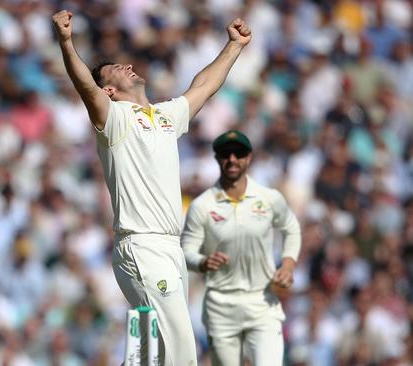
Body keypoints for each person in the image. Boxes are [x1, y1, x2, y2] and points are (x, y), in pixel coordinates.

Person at [51, 9, 252, 366]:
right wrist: (67, 42)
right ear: (109, 90)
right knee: (181, 355)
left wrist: (233, 47)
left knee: (154, 354)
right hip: (141, 244)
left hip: (169, 248)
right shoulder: (113, 119)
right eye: (114, 69)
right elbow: (84, 84)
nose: (125, 66)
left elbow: (203, 85)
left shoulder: (163, 116)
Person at [181, 130, 301, 366]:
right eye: (226, 154)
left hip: (262, 302)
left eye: (239, 154)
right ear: (217, 159)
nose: (232, 159)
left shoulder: (268, 198)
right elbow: (186, 251)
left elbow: (292, 229)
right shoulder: (202, 206)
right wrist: (203, 262)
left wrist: (287, 265)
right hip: (221, 307)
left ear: (249, 158)